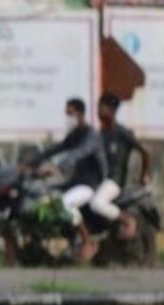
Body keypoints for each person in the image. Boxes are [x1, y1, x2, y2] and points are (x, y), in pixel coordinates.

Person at [29, 97, 108, 256]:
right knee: (43, 194)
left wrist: (56, 167)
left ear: (80, 114)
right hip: (76, 182)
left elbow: (78, 153)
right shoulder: (75, 134)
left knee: (65, 204)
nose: (67, 118)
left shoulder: (91, 135)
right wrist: (30, 163)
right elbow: (57, 148)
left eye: (69, 114)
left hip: (91, 184)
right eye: (66, 114)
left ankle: (87, 241)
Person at [94, 92, 152, 237]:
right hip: (102, 180)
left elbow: (144, 152)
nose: (99, 112)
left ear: (112, 111)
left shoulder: (122, 132)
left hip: (115, 181)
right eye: (98, 108)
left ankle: (128, 220)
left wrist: (143, 174)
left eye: (102, 108)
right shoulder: (102, 132)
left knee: (97, 203)